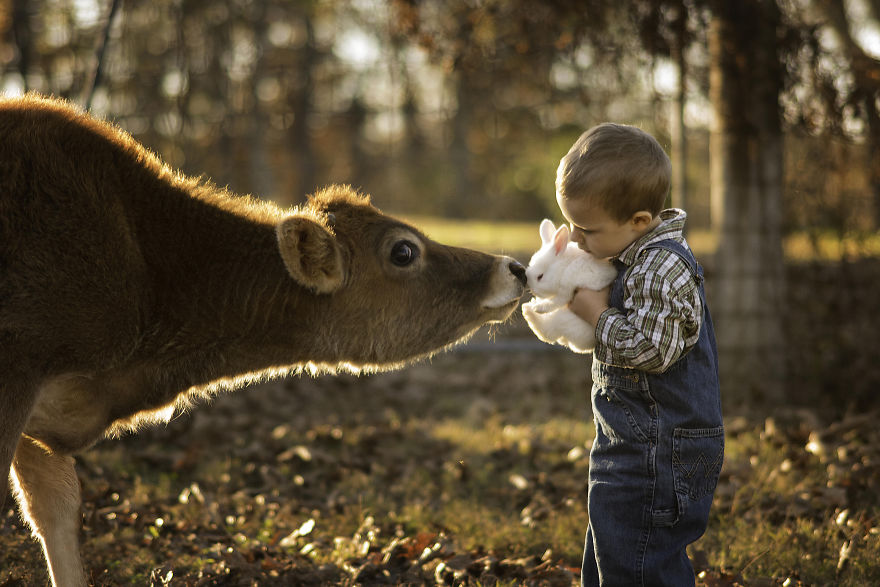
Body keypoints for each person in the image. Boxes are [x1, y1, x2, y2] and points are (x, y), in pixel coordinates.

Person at [557, 123, 724, 586]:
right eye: (570, 224)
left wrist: (597, 314)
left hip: (661, 450)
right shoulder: (634, 257)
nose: (575, 239)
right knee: (613, 550)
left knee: (641, 562)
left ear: (639, 221)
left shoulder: (661, 267)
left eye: (586, 229)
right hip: (633, 441)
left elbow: (652, 350)